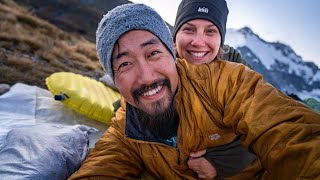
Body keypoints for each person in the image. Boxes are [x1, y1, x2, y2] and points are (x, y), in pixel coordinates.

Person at [69, 3, 320, 180]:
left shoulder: (227, 80)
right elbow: (101, 168)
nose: (146, 76)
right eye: (125, 64)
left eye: (153, 53)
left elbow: (287, 133)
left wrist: (223, 160)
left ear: (171, 55)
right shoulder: (125, 131)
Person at [172, 0, 256, 178]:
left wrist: (218, 163)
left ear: (220, 39)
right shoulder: (162, 62)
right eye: (189, 29)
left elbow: (263, 126)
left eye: (210, 31)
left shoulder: (236, 66)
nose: (198, 42)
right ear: (175, 35)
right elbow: (130, 117)